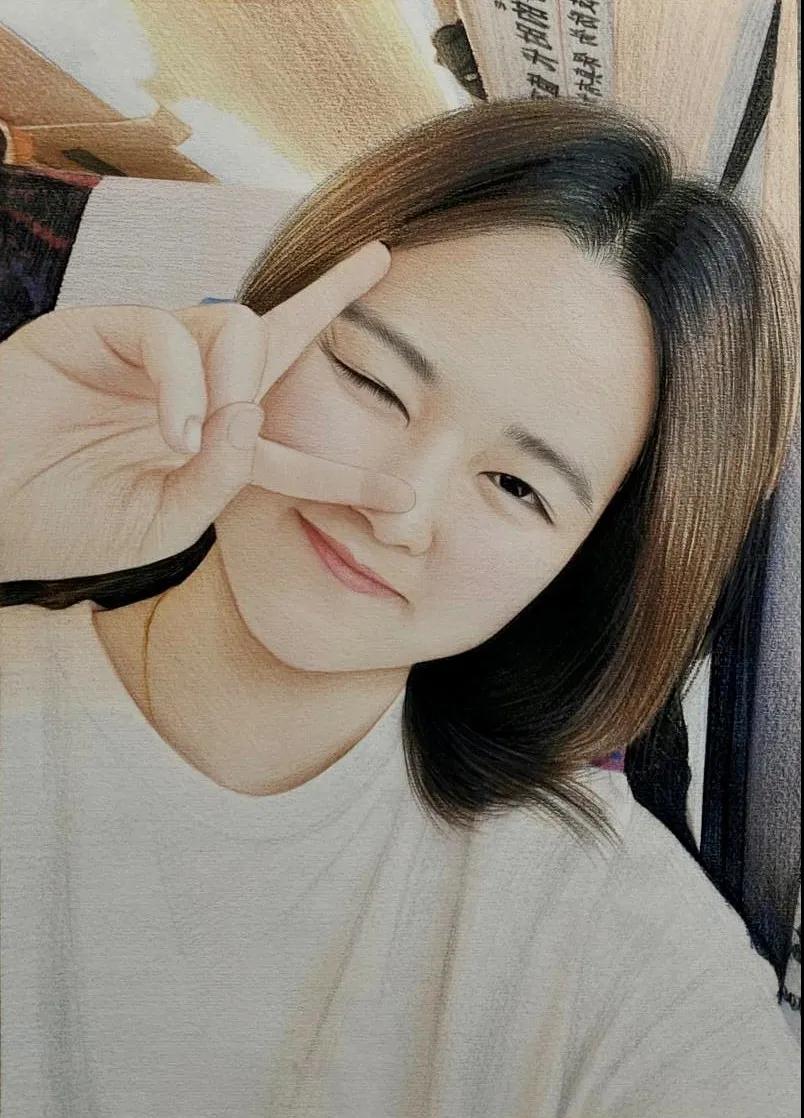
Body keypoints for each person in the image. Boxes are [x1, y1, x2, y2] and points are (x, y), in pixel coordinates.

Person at [0, 99, 799, 1116]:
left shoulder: (615, 945)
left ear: (581, 568)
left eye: (518, 487)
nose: (398, 506)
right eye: (371, 380)